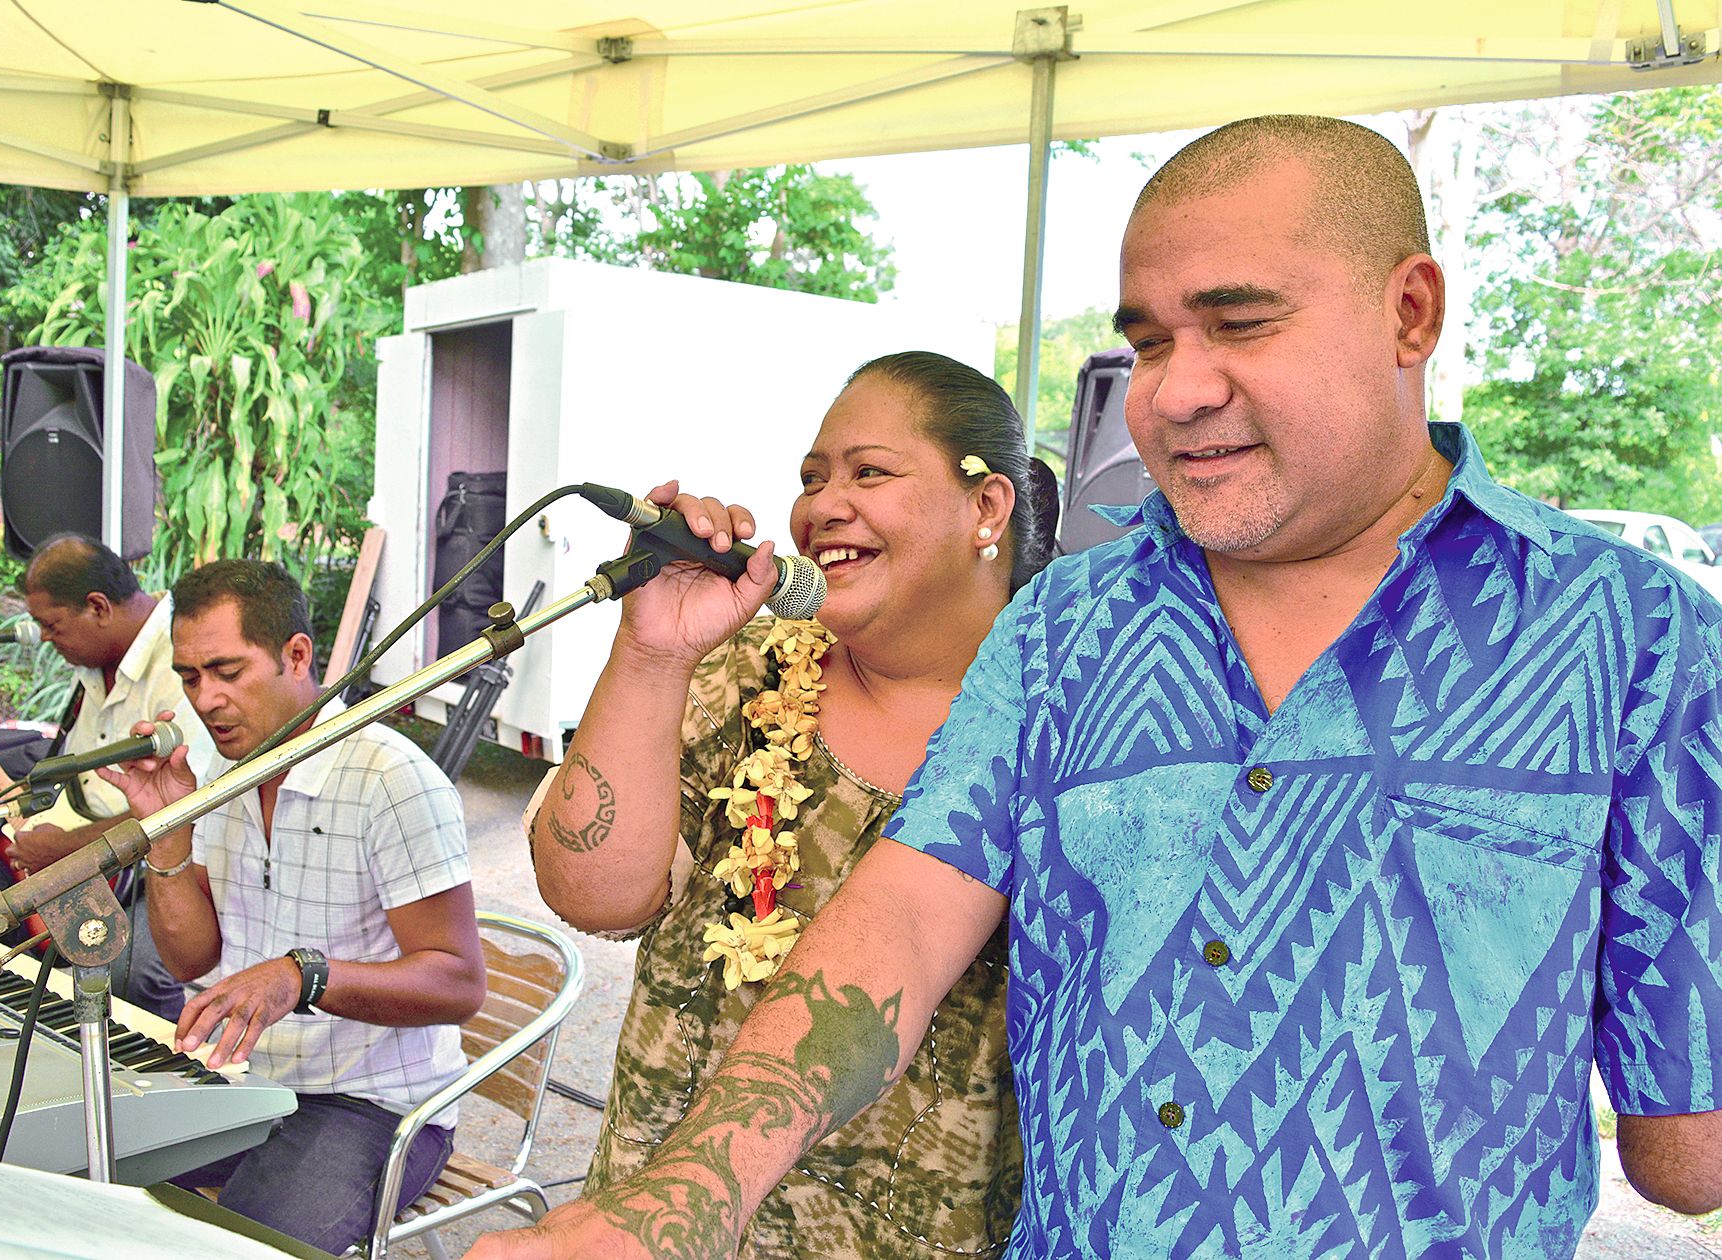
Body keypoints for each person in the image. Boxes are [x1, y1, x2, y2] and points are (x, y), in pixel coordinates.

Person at [469, 115, 1722, 1260]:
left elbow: (1687, 1152)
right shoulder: (1072, 625)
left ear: (1411, 313)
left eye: (1240, 323)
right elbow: (898, 922)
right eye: (1149, 340)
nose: (1174, 389)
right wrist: (674, 1202)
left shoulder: (1638, 639)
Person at [518, 352, 1048, 1258]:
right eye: (812, 478)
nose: (822, 506)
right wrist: (652, 657)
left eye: (869, 471)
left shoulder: (1070, 726)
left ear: (986, 507)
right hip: (649, 1227)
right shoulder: (742, 667)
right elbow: (590, 895)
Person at [99, 558, 487, 1254]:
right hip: (252, 1082)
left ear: (297, 656)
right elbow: (193, 956)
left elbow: (458, 983)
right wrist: (166, 832)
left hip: (374, 1105)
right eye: (190, 677)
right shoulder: (220, 772)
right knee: (93, 1172)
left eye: (226, 670)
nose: (205, 699)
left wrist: (302, 975)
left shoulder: (392, 779)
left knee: (241, 1246)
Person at [0, 533, 220, 1020]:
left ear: (97, 607)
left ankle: (146, 1071)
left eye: (52, 626)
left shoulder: (184, 663)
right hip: (74, 853)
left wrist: (70, 851)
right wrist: (10, 790)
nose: (48, 641)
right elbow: (79, 784)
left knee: (124, 968)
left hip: (148, 867)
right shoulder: (97, 662)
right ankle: (9, 1018)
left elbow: (189, 813)